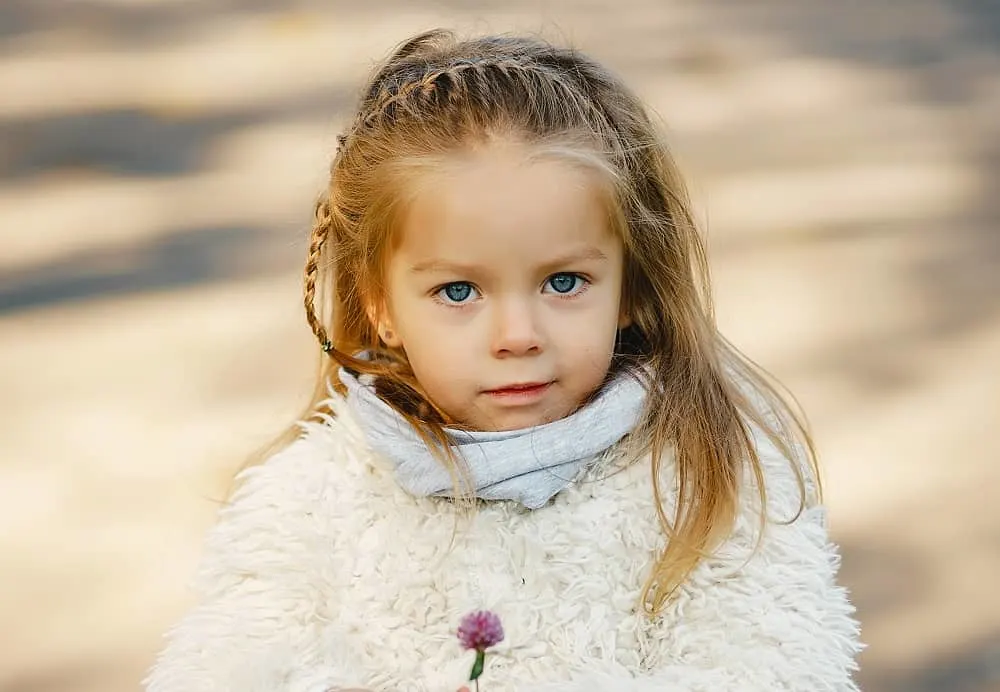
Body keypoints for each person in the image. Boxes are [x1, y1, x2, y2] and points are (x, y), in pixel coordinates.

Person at [144, 29, 862, 692]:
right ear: (381, 305)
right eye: (458, 290)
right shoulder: (312, 492)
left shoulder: (706, 473)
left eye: (564, 282)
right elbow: (226, 664)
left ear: (631, 287)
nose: (517, 334)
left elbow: (777, 664)